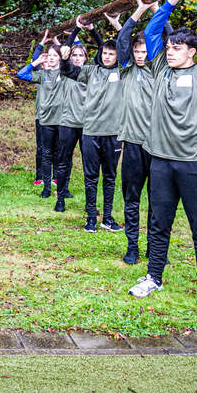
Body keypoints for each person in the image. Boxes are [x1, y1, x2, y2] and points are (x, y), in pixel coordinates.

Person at [127, 0, 197, 308]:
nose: (169, 52)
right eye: (169, 48)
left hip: (195, 163)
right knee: (158, 223)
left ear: (193, 53)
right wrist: (170, 2)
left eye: (177, 48)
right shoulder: (160, 70)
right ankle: (154, 276)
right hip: (162, 161)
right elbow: (152, 33)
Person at [114, 0, 171, 264]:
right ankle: (132, 247)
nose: (139, 55)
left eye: (144, 51)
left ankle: (155, 249)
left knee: (158, 202)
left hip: (158, 145)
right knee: (132, 200)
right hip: (133, 145)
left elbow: (171, 39)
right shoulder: (126, 69)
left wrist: (160, 8)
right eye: (137, 52)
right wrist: (139, 10)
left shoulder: (161, 69)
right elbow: (122, 39)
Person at [60, 19, 123, 233]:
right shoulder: (90, 71)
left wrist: (96, 30)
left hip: (113, 134)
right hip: (91, 133)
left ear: (117, 56)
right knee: (91, 177)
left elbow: (126, 46)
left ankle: (107, 217)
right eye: (104, 52)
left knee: (110, 177)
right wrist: (76, 29)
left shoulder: (124, 72)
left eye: (111, 53)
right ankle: (91, 218)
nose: (106, 56)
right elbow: (67, 69)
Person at [17, 40, 67, 198]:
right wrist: (36, 62)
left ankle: (60, 186)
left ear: (60, 58)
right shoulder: (42, 74)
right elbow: (21, 74)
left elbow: (74, 61)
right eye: (49, 55)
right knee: (45, 154)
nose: (51, 58)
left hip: (61, 120)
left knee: (60, 154)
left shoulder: (66, 74)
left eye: (54, 55)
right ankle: (46, 188)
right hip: (45, 120)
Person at [54, 40, 86, 212]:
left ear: (86, 58)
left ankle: (90, 203)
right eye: (75, 55)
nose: (78, 58)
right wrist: (76, 29)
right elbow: (64, 49)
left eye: (81, 55)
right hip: (68, 123)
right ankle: (60, 198)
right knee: (63, 160)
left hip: (87, 125)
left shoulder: (91, 73)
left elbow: (105, 50)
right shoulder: (66, 71)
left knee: (89, 164)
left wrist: (92, 30)